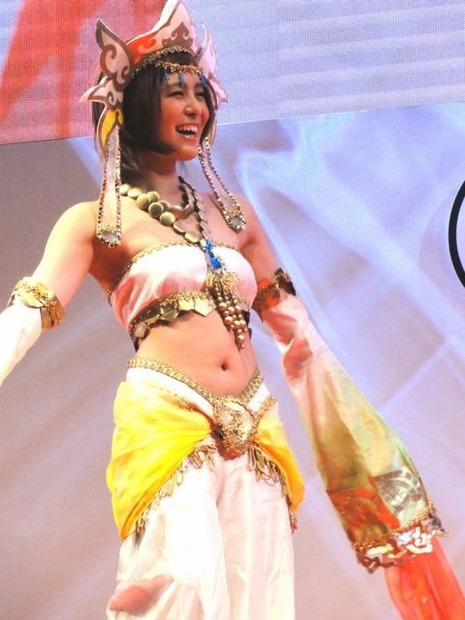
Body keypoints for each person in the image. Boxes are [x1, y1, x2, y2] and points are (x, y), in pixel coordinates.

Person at [1, 1, 464, 618]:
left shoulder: (236, 217)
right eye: (176, 92)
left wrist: (364, 446)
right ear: (134, 106)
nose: (196, 107)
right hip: (167, 418)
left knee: (259, 598)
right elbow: (31, 309)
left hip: (256, 423)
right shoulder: (96, 220)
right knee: (180, 584)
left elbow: (296, 335)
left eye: (201, 93)